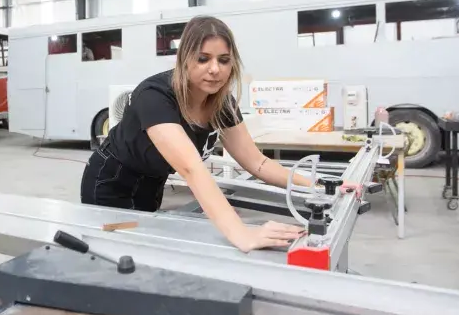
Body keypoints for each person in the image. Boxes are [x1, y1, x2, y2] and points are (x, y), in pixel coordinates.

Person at [80, 15, 310, 253]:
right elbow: (191, 169)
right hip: (111, 182)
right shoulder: (155, 96)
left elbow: (256, 162)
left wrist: (316, 185)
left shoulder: (222, 104)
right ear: (184, 59)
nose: (214, 69)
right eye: (203, 59)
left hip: (152, 183)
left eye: (224, 60)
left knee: (144, 252)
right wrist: (242, 233)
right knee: (115, 255)